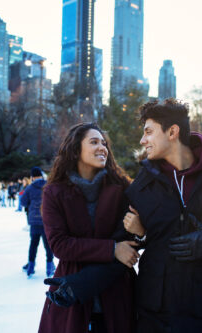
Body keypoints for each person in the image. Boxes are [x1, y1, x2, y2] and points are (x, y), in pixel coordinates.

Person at [47, 99, 202, 333]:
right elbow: (124, 250)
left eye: (148, 132)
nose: (143, 140)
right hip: (153, 318)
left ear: (173, 132)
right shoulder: (141, 187)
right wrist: (81, 284)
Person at [38, 122, 138, 333]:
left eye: (104, 143)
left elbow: (130, 239)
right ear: (75, 150)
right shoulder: (54, 192)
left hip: (117, 294)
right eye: (94, 142)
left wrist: (134, 234)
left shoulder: (122, 188)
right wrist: (112, 249)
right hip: (71, 297)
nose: (102, 147)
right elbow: (59, 245)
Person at [20, 167, 55, 278]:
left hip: (34, 221)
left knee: (33, 244)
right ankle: (49, 267)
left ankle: (31, 267)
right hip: (47, 220)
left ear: (32, 177)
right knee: (48, 245)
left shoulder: (30, 188)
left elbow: (23, 202)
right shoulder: (49, 186)